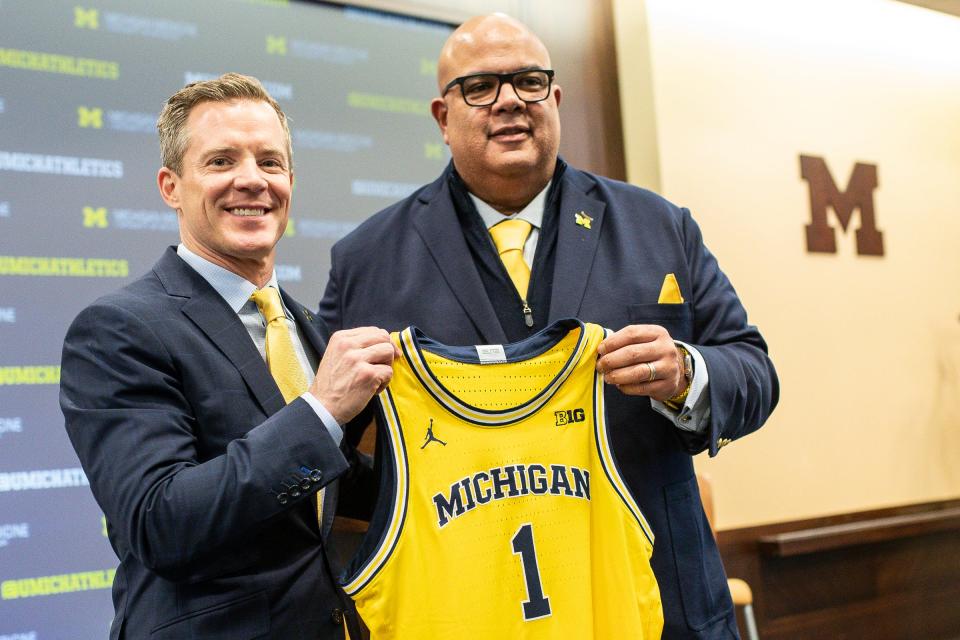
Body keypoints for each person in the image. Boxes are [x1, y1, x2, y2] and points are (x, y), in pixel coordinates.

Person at [319, 15, 778, 639]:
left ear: (554, 100)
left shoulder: (658, 226)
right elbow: (333, 447)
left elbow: (754, 372)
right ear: (442, 116)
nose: (509, 100)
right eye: (480, 86)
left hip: (660, 603)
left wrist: (685, 374)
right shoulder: (367, 260)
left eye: (529, 81)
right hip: (469, 613)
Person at [60, 73, 396, 640]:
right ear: (170, 186)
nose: (251, 180)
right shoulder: (116, 330)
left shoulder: (308, 329)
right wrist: (321, 412)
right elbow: (159, 519)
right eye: (221, 161)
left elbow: (327, 506)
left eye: (270, 161)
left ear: (290, 180)